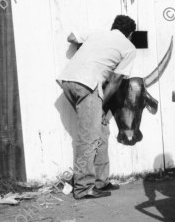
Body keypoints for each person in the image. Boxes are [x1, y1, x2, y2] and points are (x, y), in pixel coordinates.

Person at [57, 15, 137, 199]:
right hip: (87, 84)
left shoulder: (96, 34)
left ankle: (101, 181)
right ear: (130, 34)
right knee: (89, 137)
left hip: (68, 80)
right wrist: (102, 103)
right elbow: (116, 79)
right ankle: (83, 188)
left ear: (113, 27)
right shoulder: (128, 47)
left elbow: (71, 36)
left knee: (100, 128)